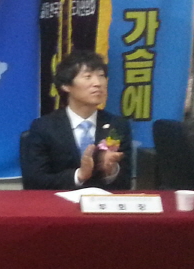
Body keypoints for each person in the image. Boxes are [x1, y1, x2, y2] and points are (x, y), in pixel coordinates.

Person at [20, 50, 133, 191]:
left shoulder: (117, 125)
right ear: (66, 85)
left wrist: (111, 170)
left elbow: (126, 184)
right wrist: (79, 175)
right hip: (58, 202)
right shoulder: (44, 127)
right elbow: (34, 182)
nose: (97, 83)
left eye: (101, 76)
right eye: (88, 77)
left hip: (103, 202)